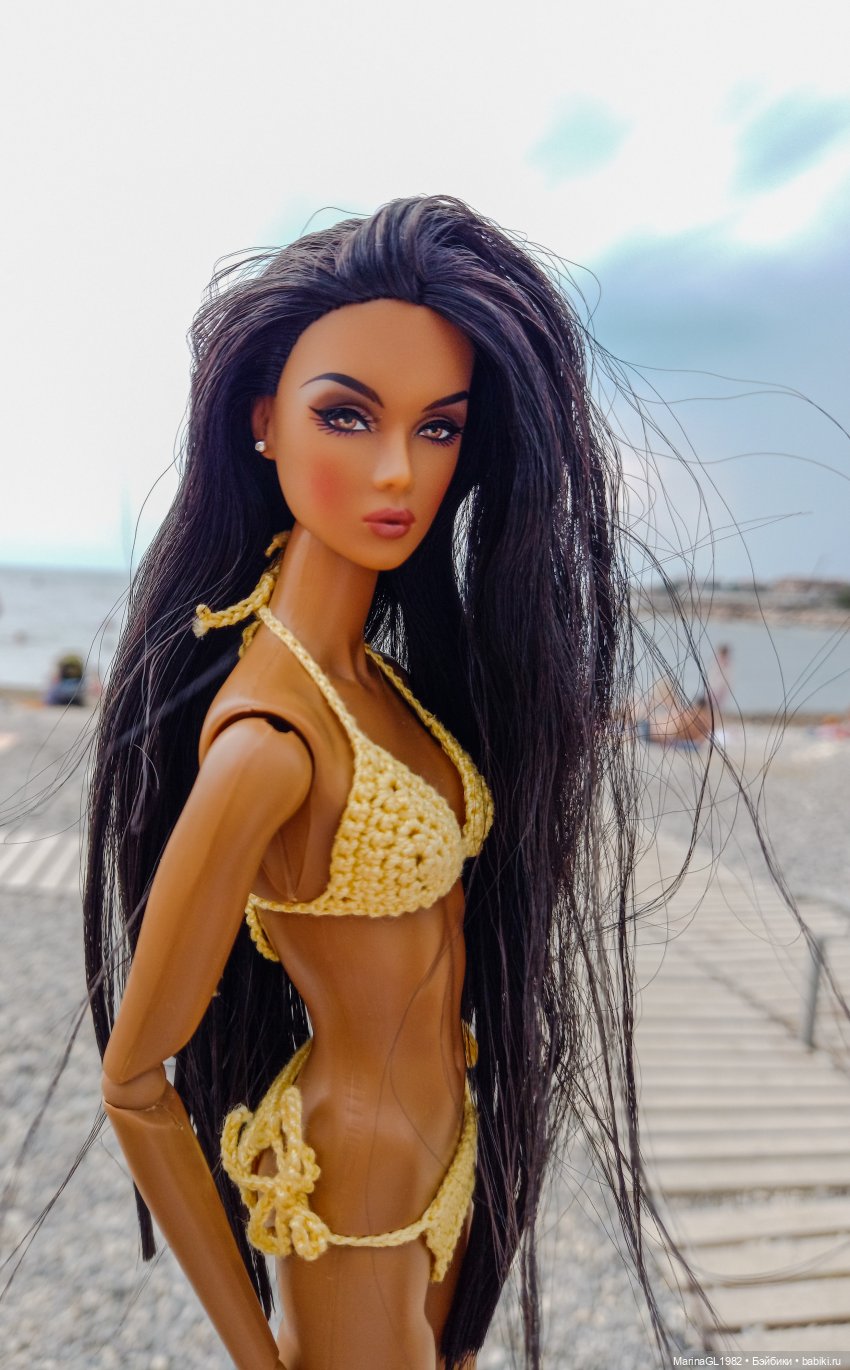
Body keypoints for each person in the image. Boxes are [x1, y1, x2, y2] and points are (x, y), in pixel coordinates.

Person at [83, 195, 722, 1369]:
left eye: (438, 428)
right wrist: (255, 1352)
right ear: (262, 421)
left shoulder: (375, 680)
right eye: (347, 414)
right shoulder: (268, 739)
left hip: (445, 1134)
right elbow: (133, 1076)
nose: (398, 471)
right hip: (354, 1170)